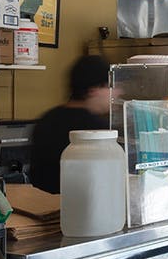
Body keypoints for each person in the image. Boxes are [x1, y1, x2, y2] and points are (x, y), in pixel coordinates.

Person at [30, 55, 112, 193]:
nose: (116, 93)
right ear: (94, 90)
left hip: (42, 203)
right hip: (80, 204)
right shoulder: (98, 131)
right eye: (110, 87)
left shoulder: (47, 119)